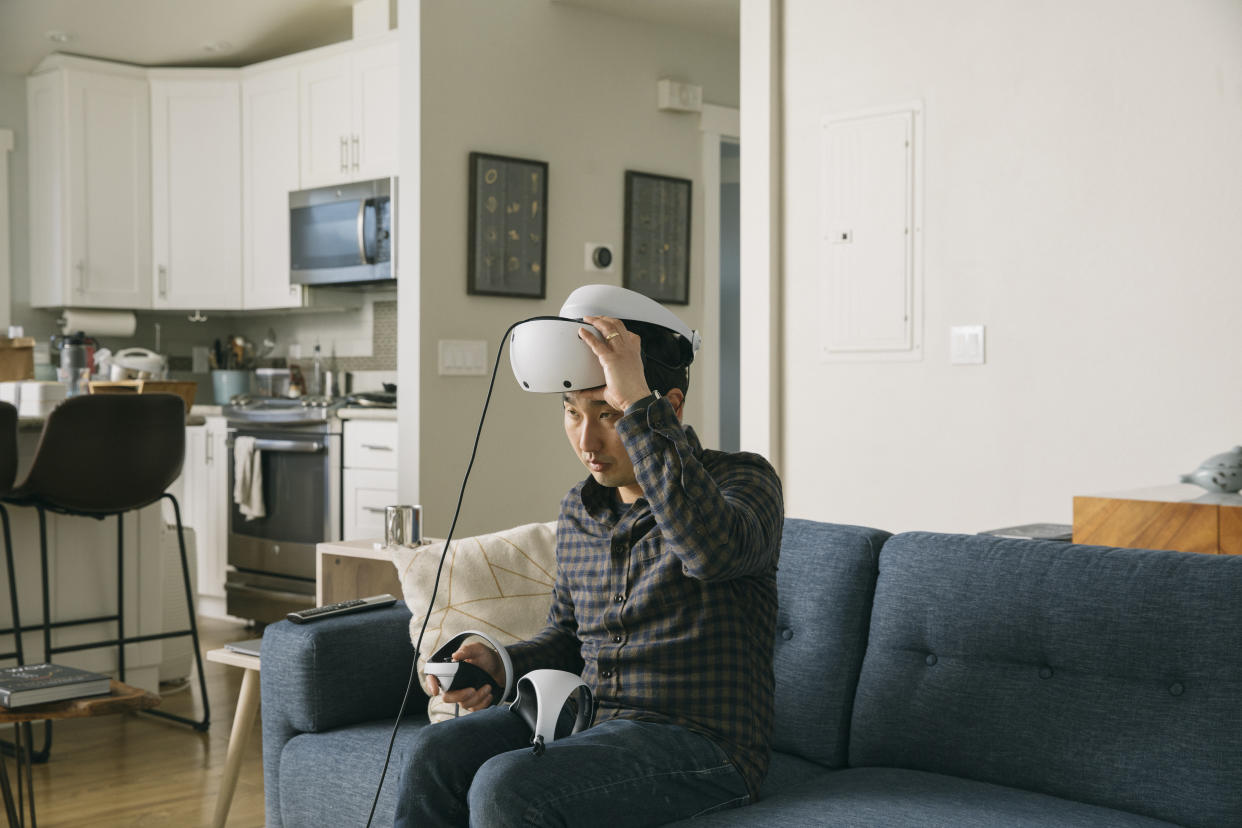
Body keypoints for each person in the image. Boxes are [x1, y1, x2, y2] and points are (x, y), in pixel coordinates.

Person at [394, 311, 784, 828]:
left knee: (507, 787)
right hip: (589, 720)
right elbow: (568, 636)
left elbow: (709, 553)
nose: (587, 442)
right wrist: (499, 662)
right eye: (573, 413)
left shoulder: (743, 481)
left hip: (704, 744)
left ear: (667, 409)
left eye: (609, 414)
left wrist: (638, 405)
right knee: (436, 754)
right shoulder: (581, 509)